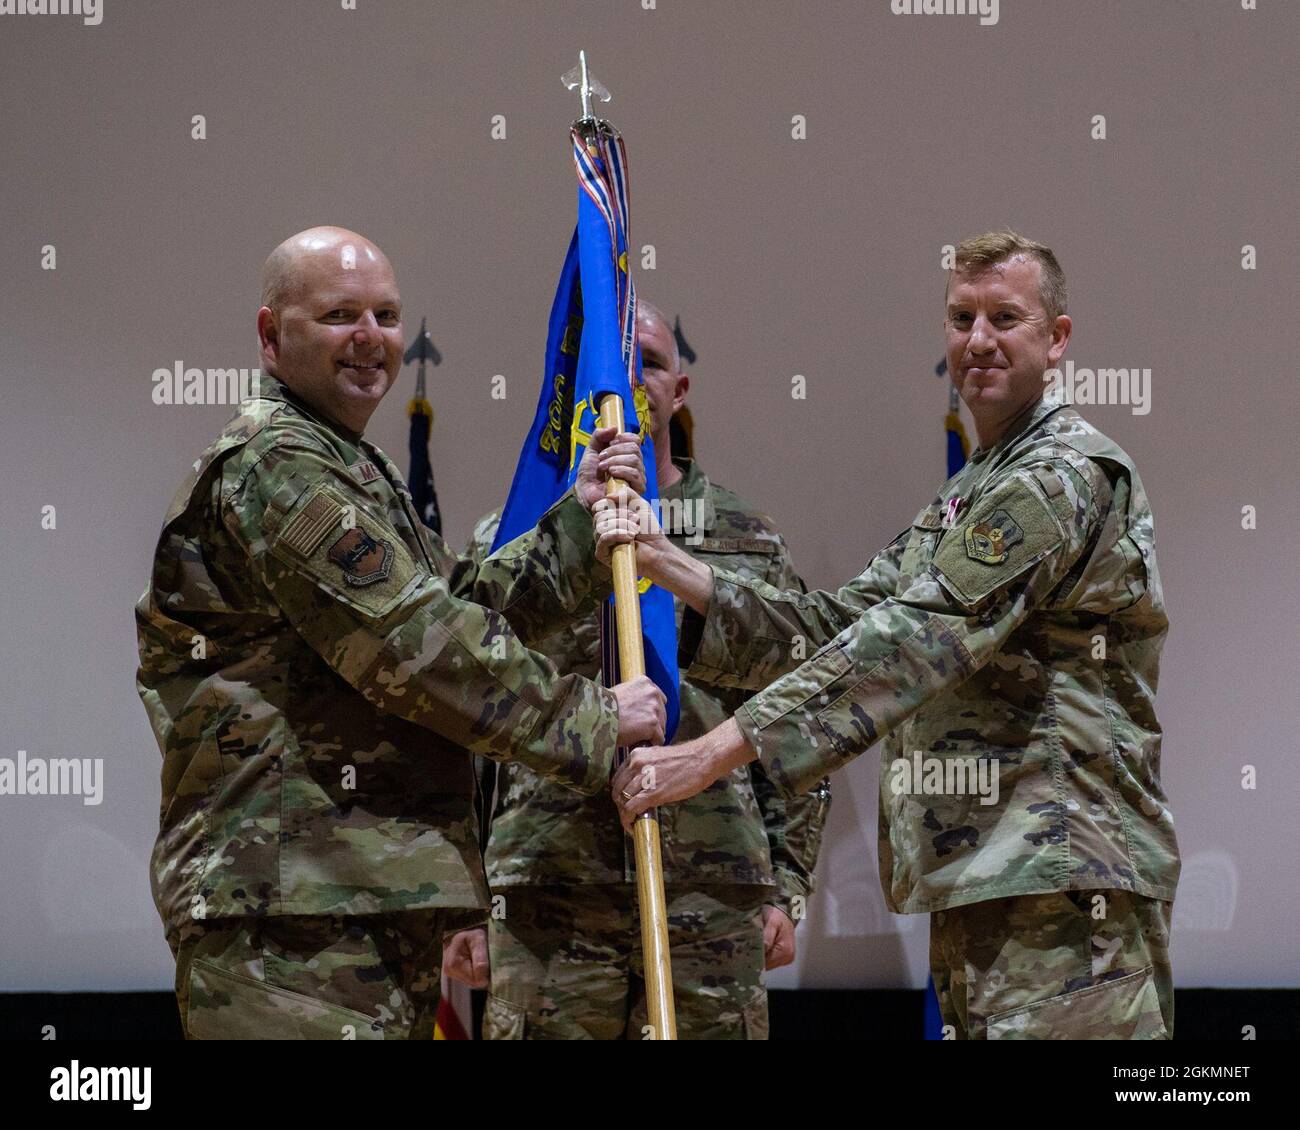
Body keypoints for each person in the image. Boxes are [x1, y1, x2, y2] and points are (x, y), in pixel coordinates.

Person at [598, 231, 1180, 1040]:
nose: (977, 339)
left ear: (1057, 339)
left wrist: (707, 755)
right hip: (987, 877)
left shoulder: (1060, 475)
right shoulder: (973, 490)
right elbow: (837, 626)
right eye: (961, 317)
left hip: (1062, 882)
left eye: (1004, 317)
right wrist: (668, 562)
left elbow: (911, 641)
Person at [134, 226, 665, 1040]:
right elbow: (416, 648)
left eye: (386, 315)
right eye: (340, 314)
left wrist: (579, 520)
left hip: (352, 902)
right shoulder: (276, 466)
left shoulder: (349, 464)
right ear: (272, 336)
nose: (370, 338)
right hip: (288, 916)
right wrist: (593, 722)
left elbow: (459, 606)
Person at [442, 300, 830, 1040]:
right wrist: (466, 900)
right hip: (544, 892)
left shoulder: (745, 537)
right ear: (579, 393)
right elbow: (460, 708)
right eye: (607, 369)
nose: (626, 384)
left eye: (647, 363)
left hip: (712, 889)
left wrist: (789, 882)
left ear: (679, 390)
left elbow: (805, 706)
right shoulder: (519, 536)